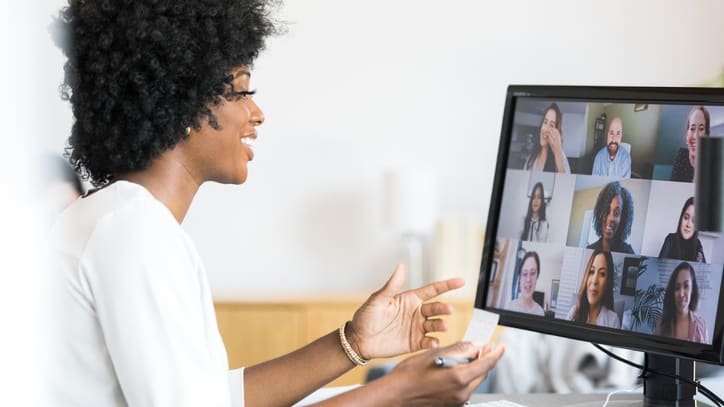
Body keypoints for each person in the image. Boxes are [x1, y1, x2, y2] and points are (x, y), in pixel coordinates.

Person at [47, 1, 504, 406]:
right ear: (185, 105)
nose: (257, 113)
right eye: (242, 90)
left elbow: (209, 397)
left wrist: (354, 342)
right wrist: (398, 392)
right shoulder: (134, 234)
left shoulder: (121, 220)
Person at [654, 262, 709, 343]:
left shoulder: (702, 326)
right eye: (677, 288)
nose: (681, 294)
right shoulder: (661, 324)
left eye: (686, 286)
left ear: (692, 289)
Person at [567, 250, 621, 328]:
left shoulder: (613, 321)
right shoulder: (573, 312)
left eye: (602, 274)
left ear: (607, 281)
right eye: (592, 272)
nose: (594, 281)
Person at [587, 181, 635, 254]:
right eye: (607, 210)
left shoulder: (628, 253)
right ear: (600, 212)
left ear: (623, 218)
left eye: (616, 213)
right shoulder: (589, 250)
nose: (611, 218)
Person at [524, 103, 571, 173]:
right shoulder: (531, 158)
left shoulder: (561, 156)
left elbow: (565, 182)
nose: (546, 129)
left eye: (551, 125)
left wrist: (557, 151)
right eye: (545, 122)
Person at [659, 197, 706, 263]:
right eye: (686, 217)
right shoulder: (670, 240)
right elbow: (659, 269)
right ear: (681, 218)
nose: (688, 224)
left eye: (694, 221)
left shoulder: (698, 244)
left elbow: (702, 270)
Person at [670, 106, 710, 182]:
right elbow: (673, 187)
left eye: (701, 129)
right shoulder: (682, 155)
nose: (695, 136)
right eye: (692, 128)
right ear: (687, 134)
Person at [507, 251, 545, 316]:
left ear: (537, 276)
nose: (528, 279)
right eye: (524, 274)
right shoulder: (510, 307)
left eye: (532, 273)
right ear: (520, 278)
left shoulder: (540, 312)